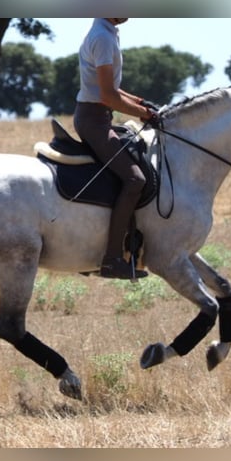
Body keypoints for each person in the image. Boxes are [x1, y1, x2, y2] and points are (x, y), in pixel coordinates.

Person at [73, 18, 159, 280]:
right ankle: (111, 260)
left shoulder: (107, 32)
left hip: (100, 117)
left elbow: (111, 88)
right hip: (93, 120)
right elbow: (107, 96)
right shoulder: (103, 37)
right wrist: (145, 114)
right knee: (135, 180)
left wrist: (143, 103)